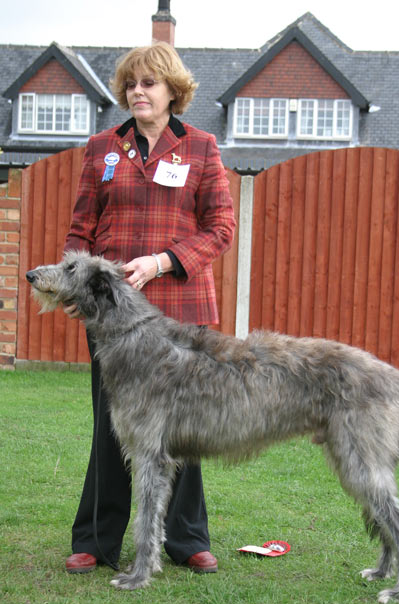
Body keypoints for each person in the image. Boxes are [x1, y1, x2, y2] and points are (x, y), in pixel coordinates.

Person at [62, 42, 235, 575]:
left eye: (149, 83)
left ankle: (186, 539)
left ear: (172, 91)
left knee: (183, 427)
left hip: (182, 310)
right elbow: (80, 231)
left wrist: (161, 262)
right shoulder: (101, 148)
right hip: (113, 319)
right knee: (113, 425)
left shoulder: (201, 148)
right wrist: (79, 286)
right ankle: (97, 538)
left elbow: (221, 229)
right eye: (131, 84)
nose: (138, 91)